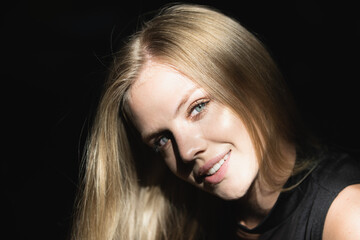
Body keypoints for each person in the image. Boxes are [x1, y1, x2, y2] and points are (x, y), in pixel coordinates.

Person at [71, 4, 360, 240]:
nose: (185, 152)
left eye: (198, 108)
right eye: (162, 139)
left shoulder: (347, 216)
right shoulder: (201, 219)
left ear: (251, 82)